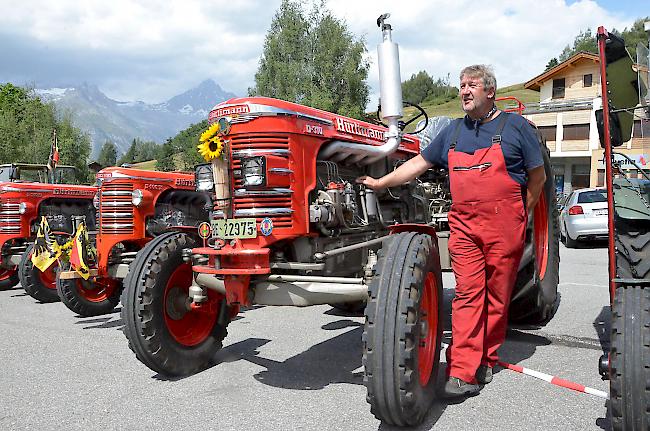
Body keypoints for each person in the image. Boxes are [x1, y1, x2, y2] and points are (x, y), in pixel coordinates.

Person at [357, 64, 546, 397]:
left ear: (490, 91)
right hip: (465, 227)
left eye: (471, 85)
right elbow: (417, 164)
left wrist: (520, 213)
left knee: (498, 299)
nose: (464, 91)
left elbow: (538, 178)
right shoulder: (453, 132)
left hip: (505, 226)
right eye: (461, 86)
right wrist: (380, 182)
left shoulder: (516, 128)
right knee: (469, 295)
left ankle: (486, 357)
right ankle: (462, 372)